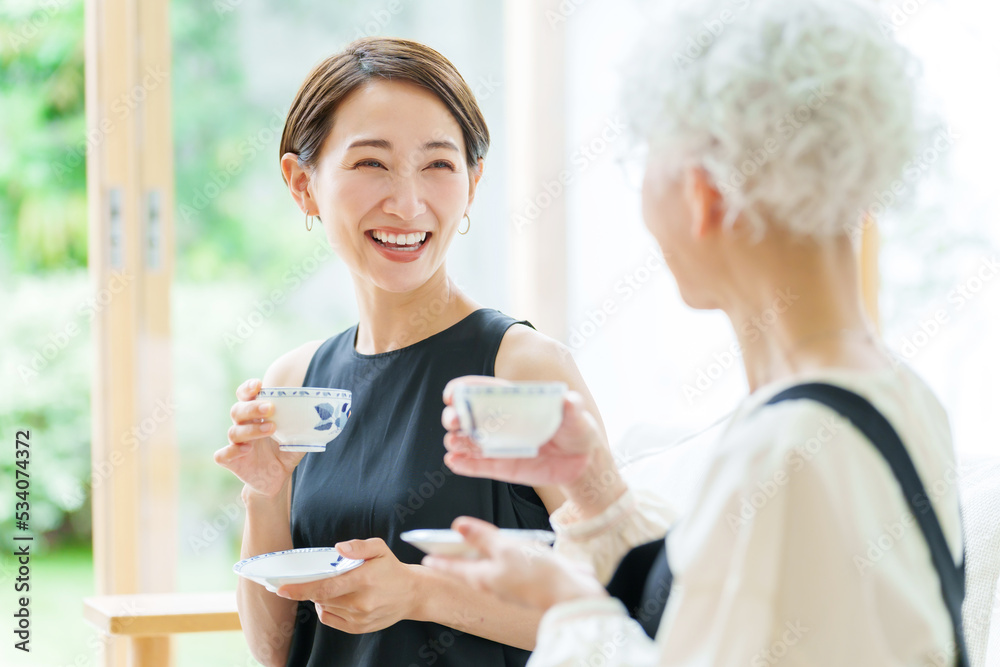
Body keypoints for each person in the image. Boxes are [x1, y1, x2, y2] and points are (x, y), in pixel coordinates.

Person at [428, 0, 968, 665]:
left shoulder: (781, 451)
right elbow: (742, 609)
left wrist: (561, 608)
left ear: (702, 194)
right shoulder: (903, 397)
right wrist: (597, 489)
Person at [213, 37, 605, 667]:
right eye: (371, 163)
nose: (407, 202)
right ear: (302, 183)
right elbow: (275, 651)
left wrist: (422, 594)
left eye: (438, 165)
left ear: (473, 184)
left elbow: (615, 616)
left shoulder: (518, 370)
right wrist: (264, 492)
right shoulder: (298, 385)